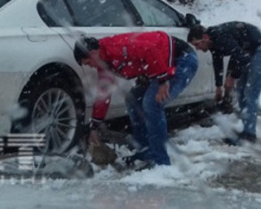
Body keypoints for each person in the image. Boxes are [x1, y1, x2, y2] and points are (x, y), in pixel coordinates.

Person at [73, 31, 198, 166]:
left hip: (181, 60)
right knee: (133, 100)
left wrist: (163, 80)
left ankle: (161, 162)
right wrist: (94, 127)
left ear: (93, 53)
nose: (90, 66)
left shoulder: (116, 47)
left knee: (152, 104)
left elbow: (150, 49)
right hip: (162, 65)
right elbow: (104, 94)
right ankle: (146, 150)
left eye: (88, 62)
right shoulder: (104, 62)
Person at [187, 22, 261, 145]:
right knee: (241, 93)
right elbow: (218, 61)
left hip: (258, 51)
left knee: (250, 93)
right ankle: (246, 131)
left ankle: (250, 135)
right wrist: (219, 86)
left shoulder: (221, 38)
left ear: (205, 38)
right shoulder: (213, 42)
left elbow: (243, 58)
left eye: (197, 44)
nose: (197, 48)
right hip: (244, 52)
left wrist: (232, 76)